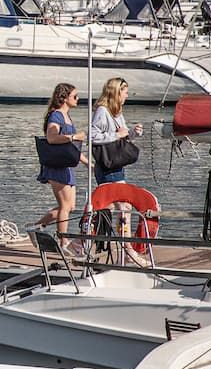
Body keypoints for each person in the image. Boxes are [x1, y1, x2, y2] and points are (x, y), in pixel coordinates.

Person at [37, 82, 86, 245]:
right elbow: (52, 137)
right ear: (64, 98)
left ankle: (37, 227)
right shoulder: (56, 115)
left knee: (70, 207)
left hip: (66, 165)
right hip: (56, 165)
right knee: (64, 206)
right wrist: (73, 137)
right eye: (75, 96)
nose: (78, 99)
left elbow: (70, 149)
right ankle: (63, 241)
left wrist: (88, 163)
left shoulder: (67, 117)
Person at [89, 77, 142, 186]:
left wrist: (133, 132)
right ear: (117, 93)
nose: (127, 96)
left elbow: (123, 135)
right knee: (123, 202)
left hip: (117, 164)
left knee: (118, 202)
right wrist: (117, 135)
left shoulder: (117, 112)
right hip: (107, 165)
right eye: (125, 93)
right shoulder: (102, 111)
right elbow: (93, 136)